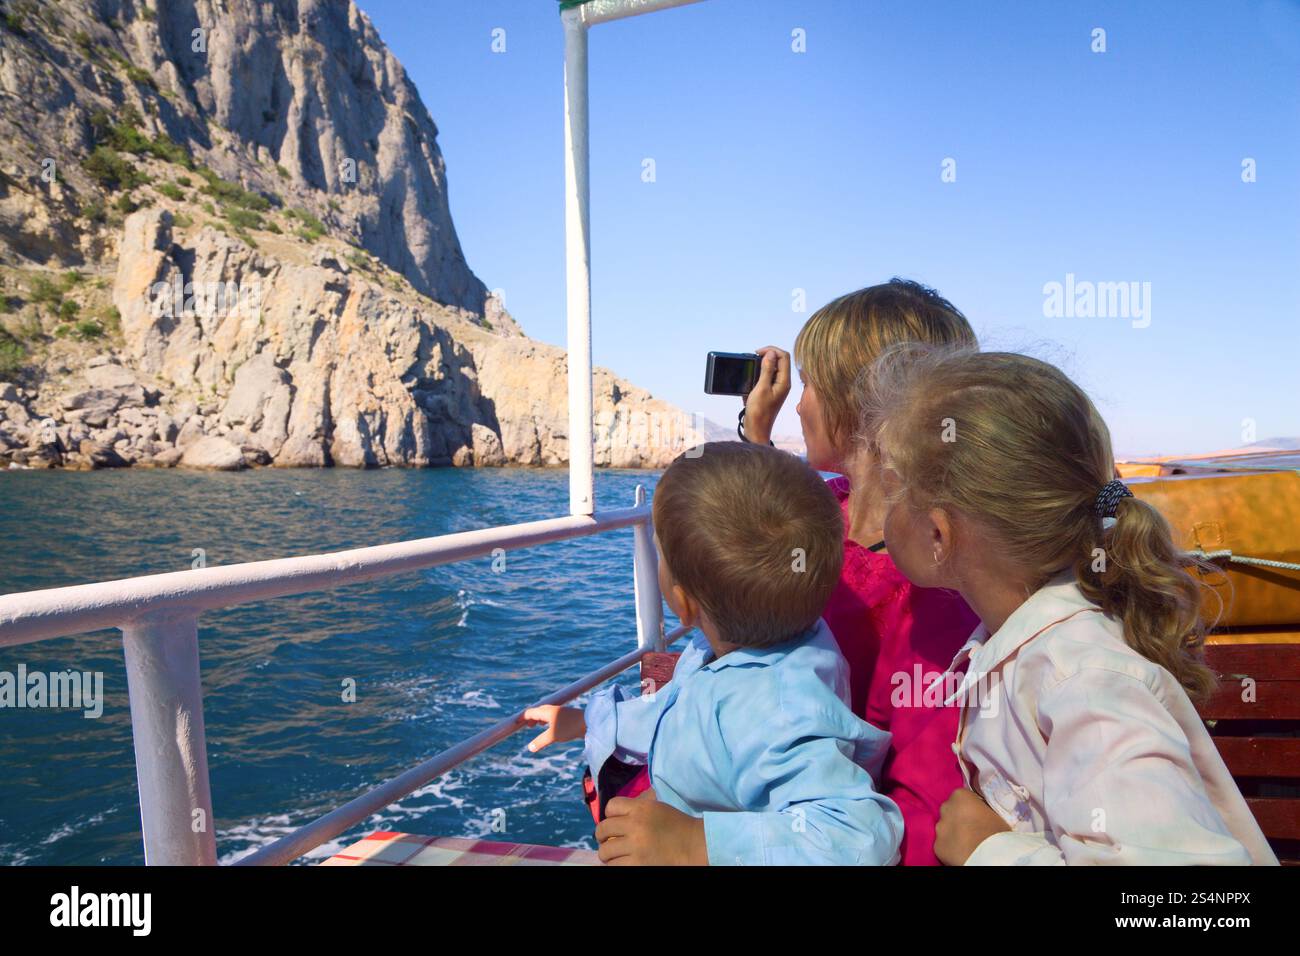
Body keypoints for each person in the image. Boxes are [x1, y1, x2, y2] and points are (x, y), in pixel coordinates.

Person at [861, 347, 1279, 865]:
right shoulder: (1027, 649)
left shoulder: (1080, 678)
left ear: (939, 533)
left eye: (892, 491)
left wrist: (989, 853)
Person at [523, 441, 903, 865]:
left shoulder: (783, 709)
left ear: (684, 605)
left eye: (660, 553)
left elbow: (862, 837)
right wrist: (589, 722)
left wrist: (694, 844)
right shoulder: (736, 644)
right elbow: (674, 709)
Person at [740, 279, 981, 865]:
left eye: (811, 384)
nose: (798, 403)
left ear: (856, 400)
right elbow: (757, 528)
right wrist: (756, 437)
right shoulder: (831, 505)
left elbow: (922, 800)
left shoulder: (935, 581)